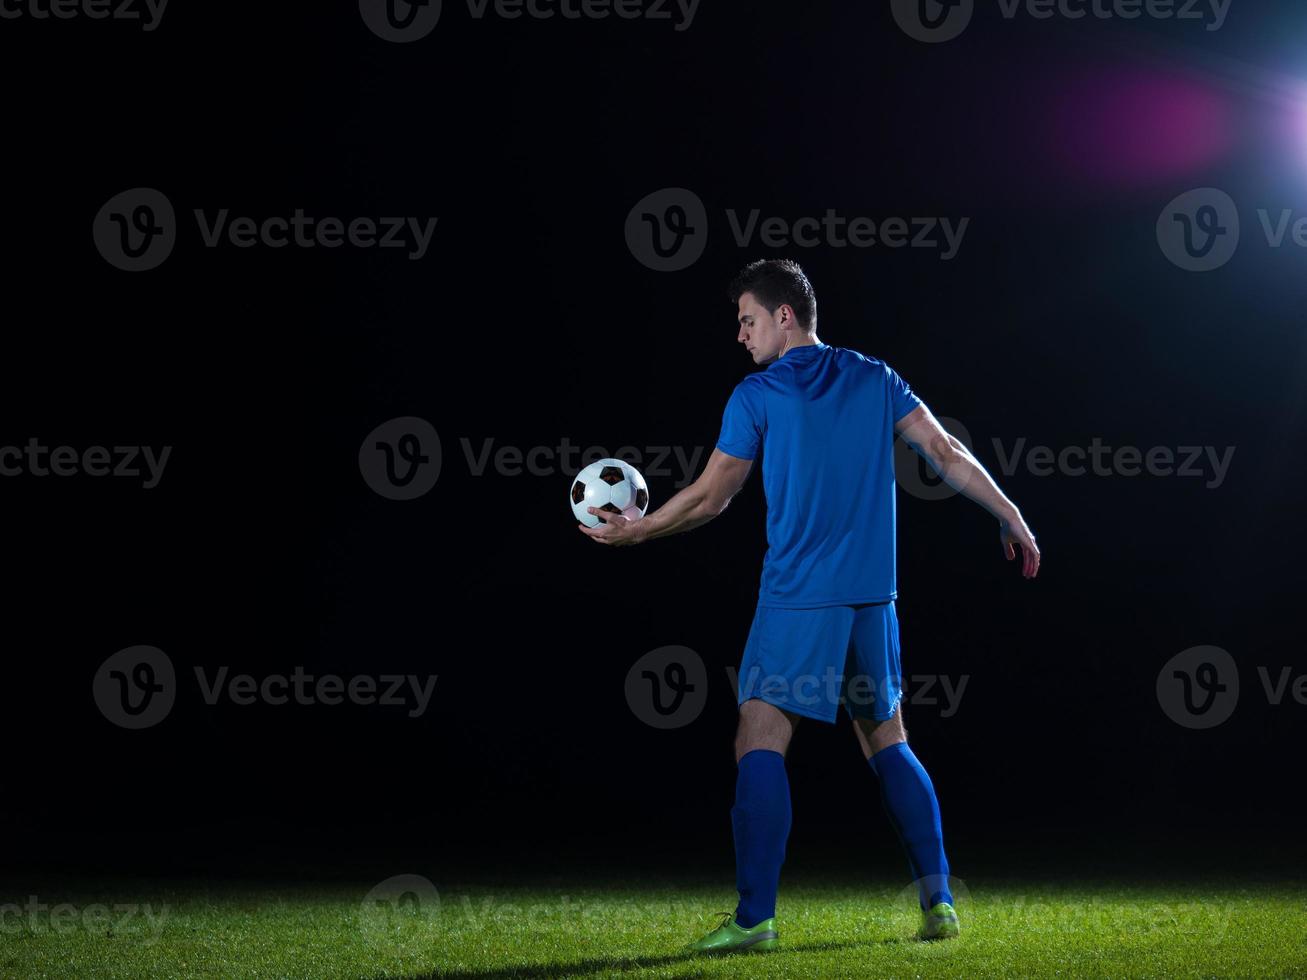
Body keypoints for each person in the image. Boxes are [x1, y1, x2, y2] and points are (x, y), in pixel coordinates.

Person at [578, 258, 1040, 953]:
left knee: (758, 737)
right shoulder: (875, 376)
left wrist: (638, 530)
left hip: (798, 596)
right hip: (872, 600)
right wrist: (1012, 516)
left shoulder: (757, 392)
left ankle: (753, 919)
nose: (740, 335)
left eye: (747, 319)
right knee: (888, 740)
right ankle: (939, 901)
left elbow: (711, 496)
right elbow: (944, 454)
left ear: (784, 316)